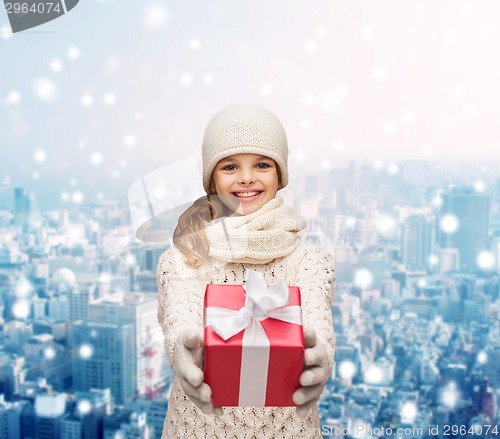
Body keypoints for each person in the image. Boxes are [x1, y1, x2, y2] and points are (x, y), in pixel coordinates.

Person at [156, 104, 335, 438]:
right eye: (230, 166)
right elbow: (180, 317)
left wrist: (320, 357)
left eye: (262, 164)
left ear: (280, 175)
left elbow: (316, 324)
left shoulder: (310, 261)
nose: (247, 177)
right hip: (195, 429)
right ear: (211, 178)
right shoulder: (184, 258)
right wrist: (182, 347)